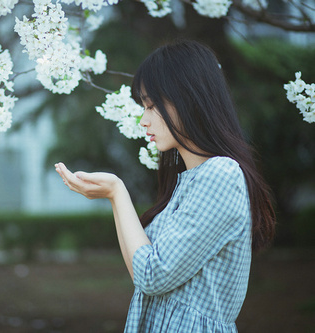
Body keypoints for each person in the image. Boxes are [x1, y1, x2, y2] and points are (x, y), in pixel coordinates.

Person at [55, 39, 275, 332]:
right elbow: (142, 272)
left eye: (151, 105)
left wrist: (117, 192)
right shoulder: (189, 181)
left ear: (188, 98)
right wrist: (113, 197)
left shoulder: (221, 174)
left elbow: (151, 275)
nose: (143, 120)